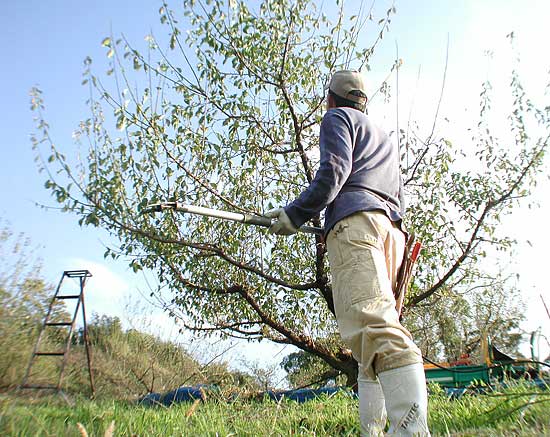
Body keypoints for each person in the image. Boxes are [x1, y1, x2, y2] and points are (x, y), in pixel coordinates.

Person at [266, 70, 430, 436]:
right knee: (369, 342)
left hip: (357, 227)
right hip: (391, 233)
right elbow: (399, 200)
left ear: (330, 99)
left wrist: (295, 214)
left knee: (374, 326)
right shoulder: (384, 139)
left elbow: (334, 172)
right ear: (363, 101)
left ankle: (410, 430)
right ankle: (371, 430)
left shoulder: (336, 118)